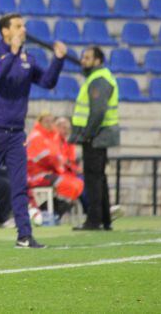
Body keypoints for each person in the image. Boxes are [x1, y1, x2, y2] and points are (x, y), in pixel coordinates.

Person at [0, 13, 67, 249]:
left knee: (20, 184)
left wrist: (57, 60)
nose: (24, 29)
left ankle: (24, 235)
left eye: (24, 25)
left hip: (16, 132)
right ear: (5, 31)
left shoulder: (27, 58)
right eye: (18, 26)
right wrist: (12, 52)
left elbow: (47, 81)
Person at [69, 46, 120, 231]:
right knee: (99, 178)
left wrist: (87, 134)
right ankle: (105, 219)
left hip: (96, 136)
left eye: (88, 57)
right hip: (100, 135)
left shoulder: (98, 80)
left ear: (98, 61)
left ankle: (93, 220)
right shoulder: (99, 77)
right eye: (83, 57)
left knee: (93, 179)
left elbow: (98, 111)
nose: (83, 60)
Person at [26, 112, 84, 220]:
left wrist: (64, 165)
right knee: (69, 185)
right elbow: (46, 158)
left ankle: (53, 212)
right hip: (36, 175)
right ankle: (50, 212)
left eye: (51, 121)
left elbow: (59, 158)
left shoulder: (51, 137)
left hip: (50, 172)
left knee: (78, 184)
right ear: (40, 122)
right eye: (46, 121)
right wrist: (60, 164)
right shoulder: (37, 136)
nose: (49, 124)